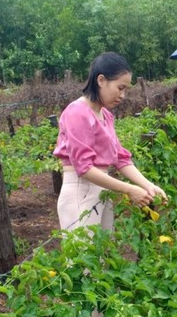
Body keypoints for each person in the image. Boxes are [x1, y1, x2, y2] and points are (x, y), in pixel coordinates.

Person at [53, 52, 168, 232]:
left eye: (126, 90)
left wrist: (147, 185)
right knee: (83, 256)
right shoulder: (77, 112)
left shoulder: (105, 115)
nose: (123, 95)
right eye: (120, 87)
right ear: (101, 80)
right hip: (80, 190)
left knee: (103, 253)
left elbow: (121, 158)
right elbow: (84, 168)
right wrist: (129, 189)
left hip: (102, 189)